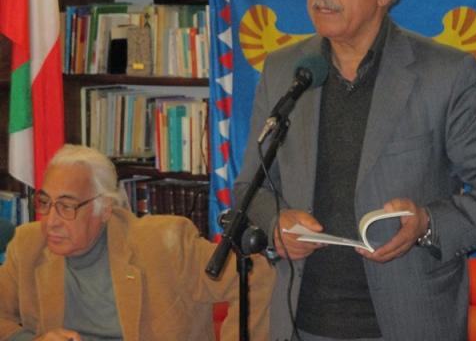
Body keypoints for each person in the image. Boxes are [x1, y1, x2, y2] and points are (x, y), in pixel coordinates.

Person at [233, 0, 476, 341]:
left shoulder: (443, 75)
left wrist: (427, 224)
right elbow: (251, 187)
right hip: (300, 321)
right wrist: (274, 224)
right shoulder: (286, 71)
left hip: (406, 323)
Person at [0, 144, 274, 341]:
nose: (51, 221)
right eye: (45, 202)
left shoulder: (164, 245)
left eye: (67, 206)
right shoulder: (28, 245)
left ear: (104, 209)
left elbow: (256, 275)